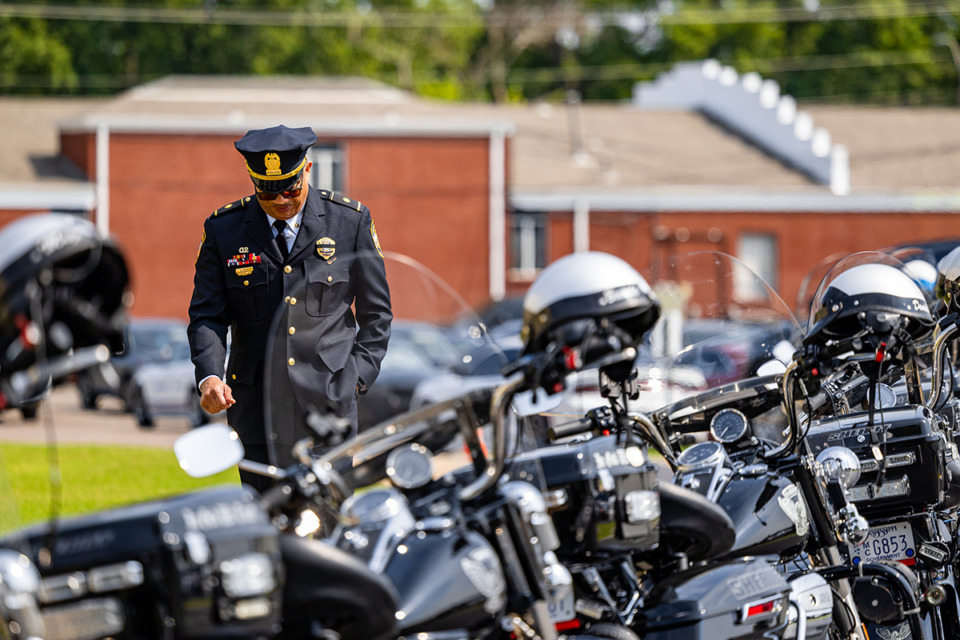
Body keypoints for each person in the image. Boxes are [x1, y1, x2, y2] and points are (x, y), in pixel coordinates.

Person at [188, 125, 392, 491]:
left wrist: (355, 378)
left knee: (328, 524)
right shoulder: (225, 230)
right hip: (255, 410)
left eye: (290, 188)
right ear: (252, 181)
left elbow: (377, 315)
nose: (281, 200)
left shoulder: (350, 222)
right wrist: (209, 376)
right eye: (268, 193)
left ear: (307, 171)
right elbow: (207, 315)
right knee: (267, 524)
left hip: (330, 407)